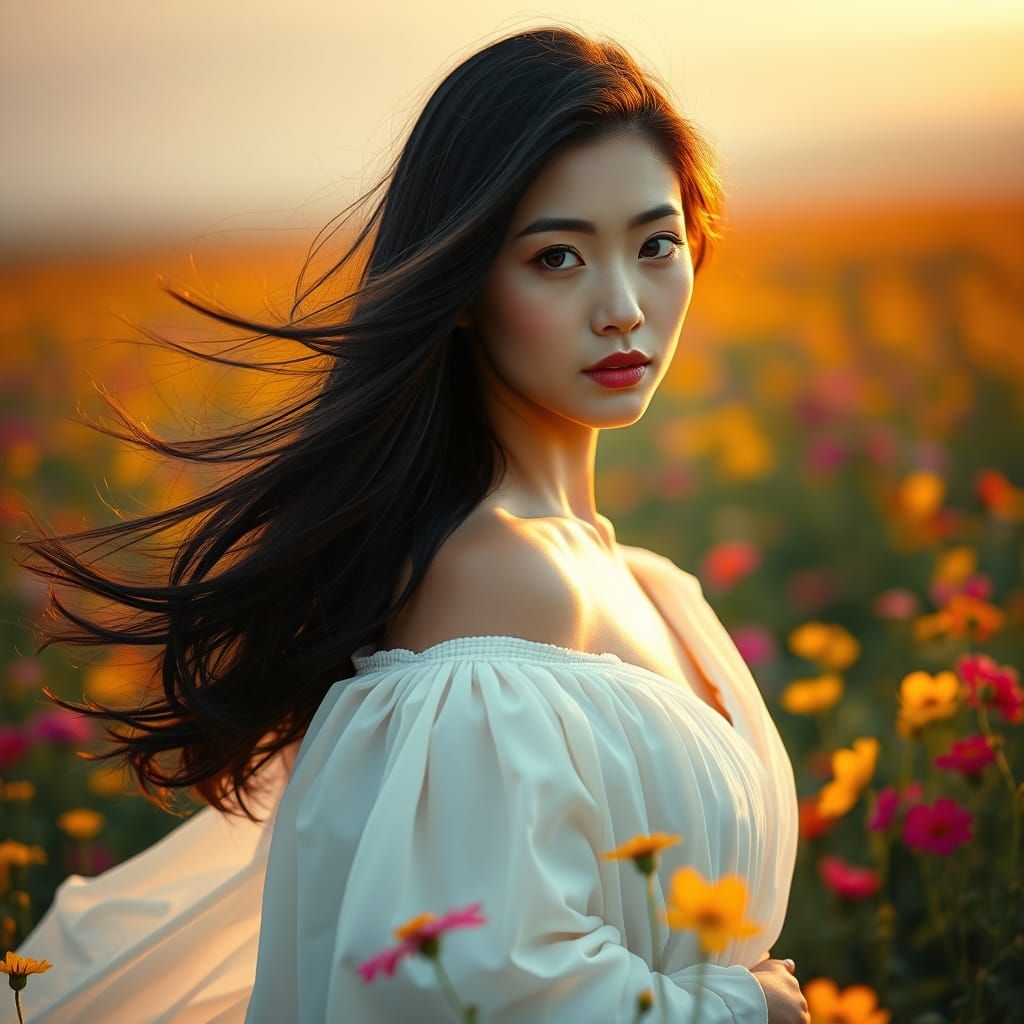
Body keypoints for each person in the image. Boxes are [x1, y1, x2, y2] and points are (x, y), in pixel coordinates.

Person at [13, 25, 809, 1023]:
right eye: (556, 258)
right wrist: (744, 1011)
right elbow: (469, 984)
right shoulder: (494, 577)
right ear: (467, 285)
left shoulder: (635, 575)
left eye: (654, 245)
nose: (621, 308)